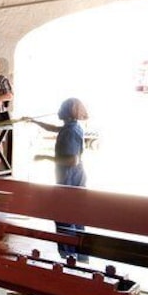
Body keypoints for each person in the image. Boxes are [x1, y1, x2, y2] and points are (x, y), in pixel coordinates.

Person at [25, 97, 89, 261]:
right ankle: (80, 255)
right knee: (74, 216)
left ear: (66, 111)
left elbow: (71, 160)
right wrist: (34, 122)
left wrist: (45, 157)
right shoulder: (71, 127)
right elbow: (55, 129)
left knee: (64, 217)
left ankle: (70, 256)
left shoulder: (70, 131)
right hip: (74, 177)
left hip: (70, 178)